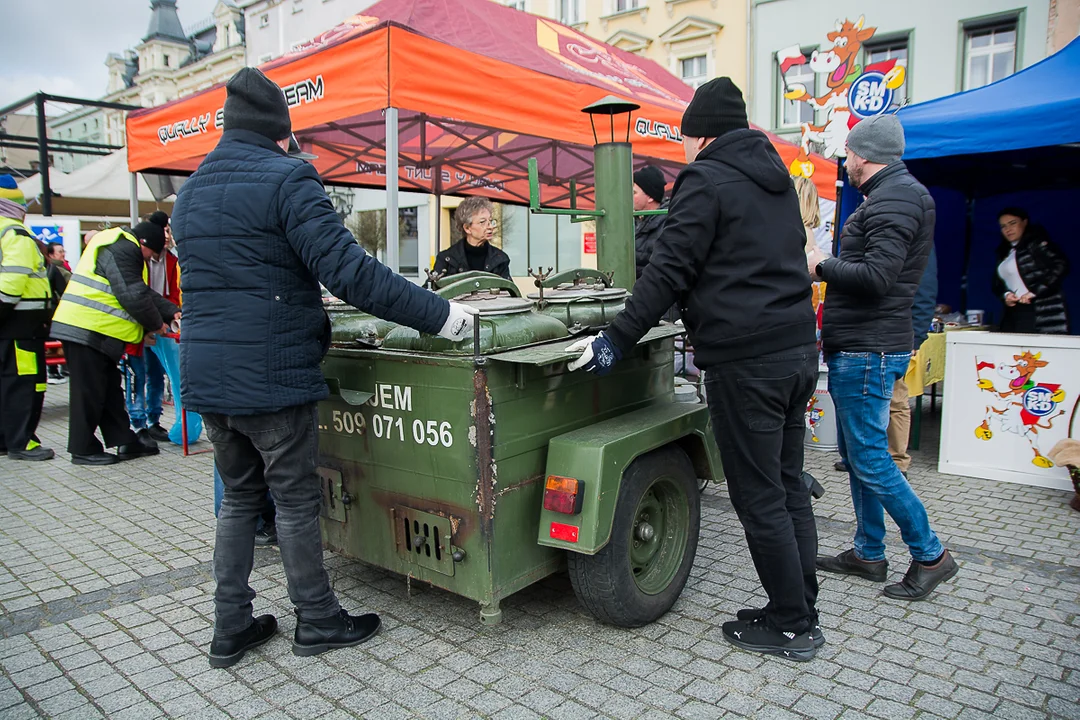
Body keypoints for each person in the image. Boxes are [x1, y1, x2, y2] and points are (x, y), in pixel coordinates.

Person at [171, 67, 475, 668]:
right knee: (294, 500)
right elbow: (351, 274)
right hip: (272, 374)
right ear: (282, 132)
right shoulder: (287, 178)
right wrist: (440, 316)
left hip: (206, 375)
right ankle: (317, 619)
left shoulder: (193, 189)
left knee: (238, 499)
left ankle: (230, 627)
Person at [568, 78, 822, 661]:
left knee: (758, 496)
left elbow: (667, 271)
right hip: (796, 351)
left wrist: (614, 339)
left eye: (683, 139)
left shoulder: (705, 180)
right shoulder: (777, 179)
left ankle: (791, 624)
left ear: (698, 136)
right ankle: (799, 603)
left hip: (748, 361)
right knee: (788, 487)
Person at [808, 114, 958, 601]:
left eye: (849, 153)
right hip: (865, 343)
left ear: (864, 154)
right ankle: (869, 552)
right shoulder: (894, 194)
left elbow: (876, 276)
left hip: (868, 346)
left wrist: (820, 265)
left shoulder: (895, 198)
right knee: (858, 456)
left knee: (871, 459)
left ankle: (931, 554)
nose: (845, 161)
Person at [51, 222, 180, 466]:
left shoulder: (119, 246)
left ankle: (125, 440)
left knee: (109, 389)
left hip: (96, 332)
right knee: (88, 392)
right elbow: (132, 295)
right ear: (143, 244)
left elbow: (142, 291)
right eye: (151, 254)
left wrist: (172, 312)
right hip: (84, 328)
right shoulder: (122, 248)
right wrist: (156, 324)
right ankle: (83, 449)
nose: (150, 260)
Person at [0, 175, 54, 461]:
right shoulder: (15, 234)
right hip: (21, 325)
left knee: (6, 382)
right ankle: (22, 441)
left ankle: (6, 439)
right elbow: (12, 284)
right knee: (26, 383)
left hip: (10, 327)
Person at [122, 211, 180, 444]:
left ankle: (154, 420)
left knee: (157, 375)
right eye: (162, 232)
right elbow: (137, 294)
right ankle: (137, 423)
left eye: (168, 231)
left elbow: (172, 293)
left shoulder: (171, 260)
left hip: (161, 325)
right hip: (139, 325)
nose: (166, 236)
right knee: (137, 375)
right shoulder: (135, 259)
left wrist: (170, 316)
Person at [993, 207, 1070, 334]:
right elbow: (996, 282)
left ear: (1024, 222)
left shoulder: (1036, 244)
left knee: (1032, 351)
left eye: (1013, 223)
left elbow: (1061, 265)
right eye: (1003, 226)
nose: (1008, 229)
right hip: (1013, 310)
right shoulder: (1005, 252)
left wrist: (1035, 291)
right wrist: (1006, 294)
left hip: (1040, 309)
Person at [432, 197, 511, 280]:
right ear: (467, 228)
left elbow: (509, 291)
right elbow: (430, 289)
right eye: (482, 222)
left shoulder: (500, 259)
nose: (490, 227)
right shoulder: (446, 259)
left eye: (490, 221)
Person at [632, 165, 668, 279]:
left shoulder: (667, 223)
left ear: (650, 197)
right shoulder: (634, 221)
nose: (628, 196)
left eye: (633, 193)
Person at [45, 242, 72, 384]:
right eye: (59, 251)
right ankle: (54, 371)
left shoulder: (59, 267)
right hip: (56, 311)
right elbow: (64, 290)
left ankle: (57, 370)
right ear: (51, 254)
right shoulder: (56, 269)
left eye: (63, 251)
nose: (63, 254)